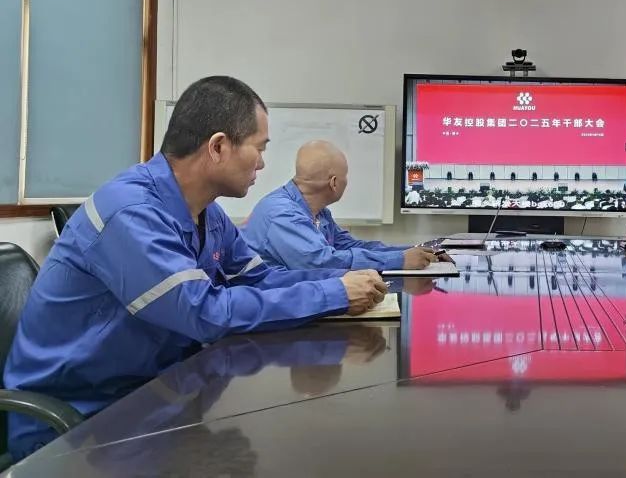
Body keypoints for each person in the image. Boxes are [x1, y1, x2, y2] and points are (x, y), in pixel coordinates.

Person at [3, 76, 386, 459]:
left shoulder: (209, 215)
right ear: (218, 147)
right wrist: (334, 294)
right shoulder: (131, 212)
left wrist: (341, 281)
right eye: (258, 148)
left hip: (153, 396)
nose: (262, 163)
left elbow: (261, 279)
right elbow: (204, 312)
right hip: (78, 423)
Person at [244, 140, 438, 272]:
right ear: (334, 183)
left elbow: (351, 246)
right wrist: (399, 260)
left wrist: (412, 251)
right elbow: (322, 263)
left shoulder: (319, 212)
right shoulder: (283, 213)